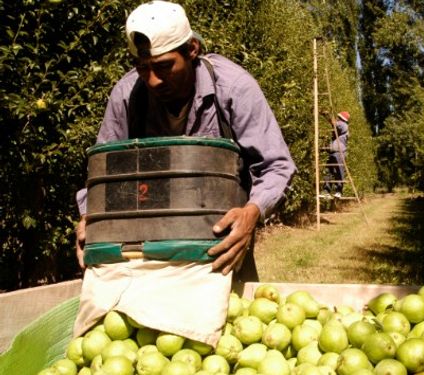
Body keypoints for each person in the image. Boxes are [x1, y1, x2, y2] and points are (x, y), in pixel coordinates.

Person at [72, 0, 296, 346]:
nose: (152, 80)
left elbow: (276, 165)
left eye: (163, 67)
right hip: (144, 249)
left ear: (192, 49)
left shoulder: (233, 88)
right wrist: (92, 217)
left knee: (226, 336)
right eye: (142, 67)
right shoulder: (127, 95)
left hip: (217, 247)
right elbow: (105, 173)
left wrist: (251, 214)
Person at [320, 110, 349, 198]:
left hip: (339, 153)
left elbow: (333, 122)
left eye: (338, 117)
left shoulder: (343, 125)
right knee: (328, 171)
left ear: (341, 118)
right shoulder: (337, 131)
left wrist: (327, 115)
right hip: (333, 152)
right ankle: (326, 191)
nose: (337, 118)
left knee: (339, 171)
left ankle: (339, 191)